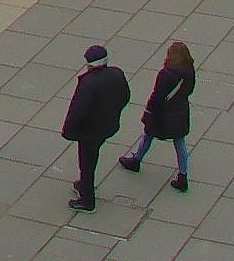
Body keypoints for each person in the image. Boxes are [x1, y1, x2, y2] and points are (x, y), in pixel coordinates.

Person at [62, 45, 130, 211]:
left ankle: (87, 199)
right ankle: (84, 185)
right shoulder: (117, 74)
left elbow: (78, 110)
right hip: (108, 126)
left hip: (89, 132)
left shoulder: (88, 82)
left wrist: (68, 130)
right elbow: (126, 96)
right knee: (92, 156)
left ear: (90, 64)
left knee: (87, 163)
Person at [121, 42, 194, 193]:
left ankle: (136, 160)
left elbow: (157, 96)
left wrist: (148, 112)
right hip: (180, 111)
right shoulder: (189, 70)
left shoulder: (166, 74)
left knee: (148, 134)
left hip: (163, 113)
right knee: (179, 141)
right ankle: (183, 175)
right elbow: (189, 90)